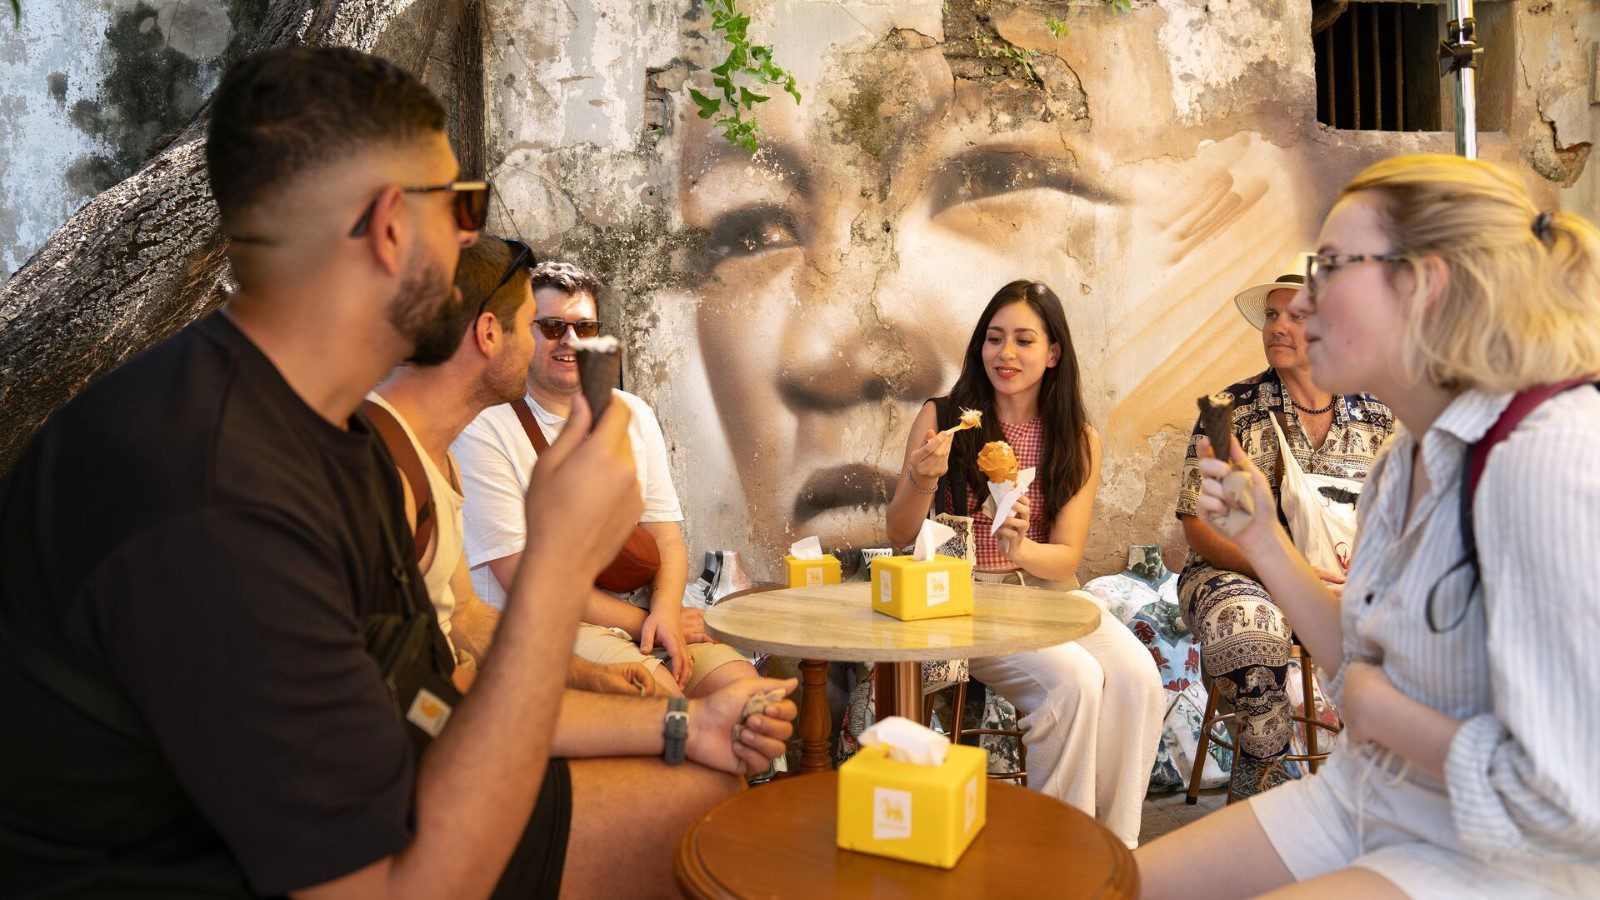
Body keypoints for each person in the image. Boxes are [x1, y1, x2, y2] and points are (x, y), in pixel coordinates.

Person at [0, 47, 795, 898]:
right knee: (702, 828)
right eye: (463, 205)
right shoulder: (214, 491)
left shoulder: (329, 438)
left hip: (385, 800)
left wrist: (682, 722)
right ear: (389, 229)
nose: (472, 236)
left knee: (706, 779)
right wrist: (556, 569)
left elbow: (432, 703)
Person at [1139, 154, 1600, 898]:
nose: (1296, 310)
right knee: (1114, 887)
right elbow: (1362, 652)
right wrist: (1262, 537)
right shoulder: (1404, 457)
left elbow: (1574, 798)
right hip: (1365, 796)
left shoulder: (1550, 463)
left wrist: (1379, 710)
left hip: (1496, 858)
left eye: (1327, 270)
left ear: (1422, 284)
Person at [884, 280, 1164, 848]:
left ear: (1053, 352)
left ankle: (1114, 848)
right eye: (994, 339)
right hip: (967, 596)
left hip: (1048, 591)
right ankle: (1060, 852)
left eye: (1023, 340)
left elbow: (1064, 558)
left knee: (1138, 677)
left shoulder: (1077, 439)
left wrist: (1021, 549)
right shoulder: (943, 419)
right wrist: (923, 479)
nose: (1005, 355)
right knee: (1075, 681)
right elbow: (898, 534)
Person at [368, 234, 666, 698]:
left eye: (584, 329)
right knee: (682, 733)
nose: (561, 346)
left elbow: (464, 618)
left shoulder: (437, 453)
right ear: (489, 334)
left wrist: (591, 675)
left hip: (449, 714)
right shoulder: (377, 461)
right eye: (537, 326)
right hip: (414, 743)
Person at [453, 260, 758, 698]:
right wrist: (646, 624)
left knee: (742, 689)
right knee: (662, 700)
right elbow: (521, 576)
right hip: (547, 628)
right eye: (553, 327)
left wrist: (666, 611)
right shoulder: (485, 426)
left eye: (586, 328)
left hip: (642, 614)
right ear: (523, 333)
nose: (571, 342)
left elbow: (667, 537)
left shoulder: (632, 413)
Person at [1175, 261, 1394, 801]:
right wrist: (1281, 572)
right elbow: (1199, 529)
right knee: (1252, 626)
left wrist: (1368, 583)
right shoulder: (1230, 414)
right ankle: (1262, 790)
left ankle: (1372, 794)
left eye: (1296, 316)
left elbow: (1402, 521)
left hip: (1348, 575)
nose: (1277, 327)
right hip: (1236, 574)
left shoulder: (1378, 416)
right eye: (1272, 315)